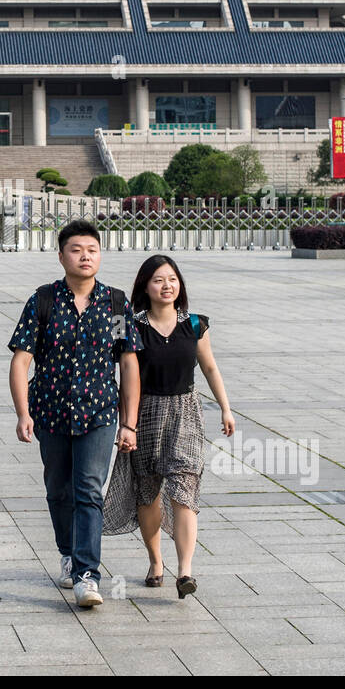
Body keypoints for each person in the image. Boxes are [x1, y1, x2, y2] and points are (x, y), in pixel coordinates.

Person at [7, 219, 142, 609]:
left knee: (87, 489)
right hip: (49, 412)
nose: (85, 256)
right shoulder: (43, 300)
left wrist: (128, 422)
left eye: (92, 250)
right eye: (77, 249)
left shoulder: (116, 304)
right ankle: (67, 552)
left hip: (99, 414)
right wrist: (22, 412)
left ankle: (87, 573)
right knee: (58, 490)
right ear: (62, 254)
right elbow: (21, 362)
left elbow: (128, 364)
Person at [103, 254, 235, 599]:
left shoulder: (194, 324)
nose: (167, 286)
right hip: (144, 412)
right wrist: (123, 422)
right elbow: (119, 373)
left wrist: (226, 408)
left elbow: (209, 368)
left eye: (172, 279)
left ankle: (186, 570)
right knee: (148, 493)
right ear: (145, 285)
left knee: (185, 487)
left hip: (185, 413)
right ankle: (156, 561)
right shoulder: (128, 324)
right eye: (159, 280)